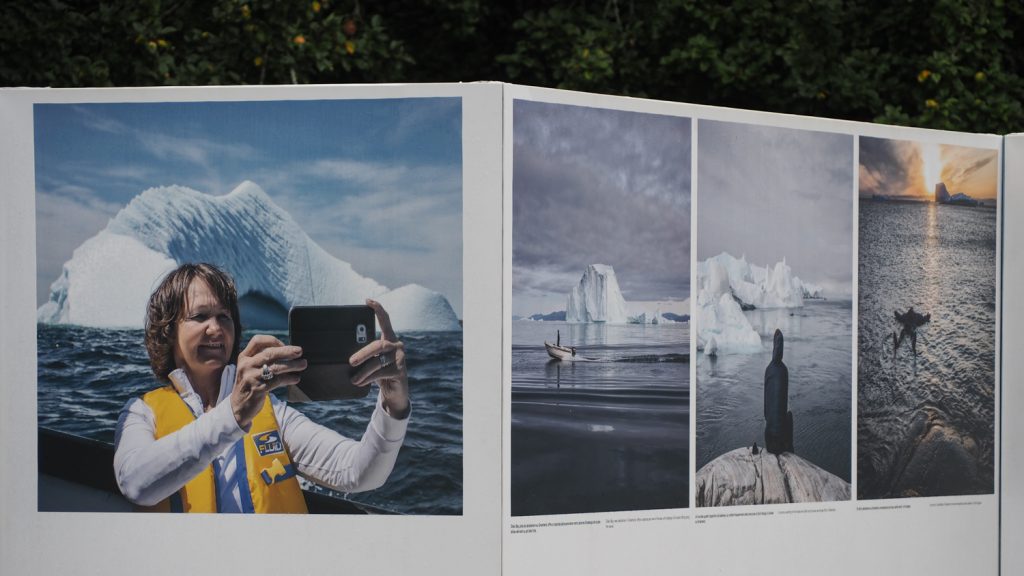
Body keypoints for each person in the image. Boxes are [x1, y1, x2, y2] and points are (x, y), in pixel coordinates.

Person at [113, 263, 410, 513]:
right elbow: (136, 484)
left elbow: (360, 472)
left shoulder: (272, 412)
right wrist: (232, 415)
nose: (215, 328)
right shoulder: (141, 413)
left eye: (224, 316)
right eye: (200, 316)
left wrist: (394, 406)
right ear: (168, 331)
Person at [763, 329, 793, 454]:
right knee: (789, 415)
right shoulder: (783, 370)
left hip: (769, 442)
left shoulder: (769, 369)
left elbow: (766, 407)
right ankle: (789, 449)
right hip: (781, 444)